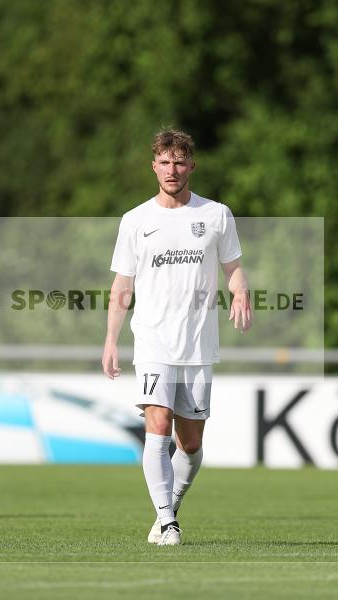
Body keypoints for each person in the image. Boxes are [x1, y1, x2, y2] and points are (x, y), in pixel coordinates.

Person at [102, 129, 251, 546]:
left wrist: (240, 292)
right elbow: (122, 287)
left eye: (180, 162)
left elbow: (233, 267)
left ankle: (170, 504)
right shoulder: (135, 221)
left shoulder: (216, 215)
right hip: (152, 341)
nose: (172, 170)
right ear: (154, 166)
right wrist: (111, 341)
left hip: (199, 343)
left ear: (191, 166)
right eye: (165, 162)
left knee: (191, 441)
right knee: (158, 423)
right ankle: (167, 521)